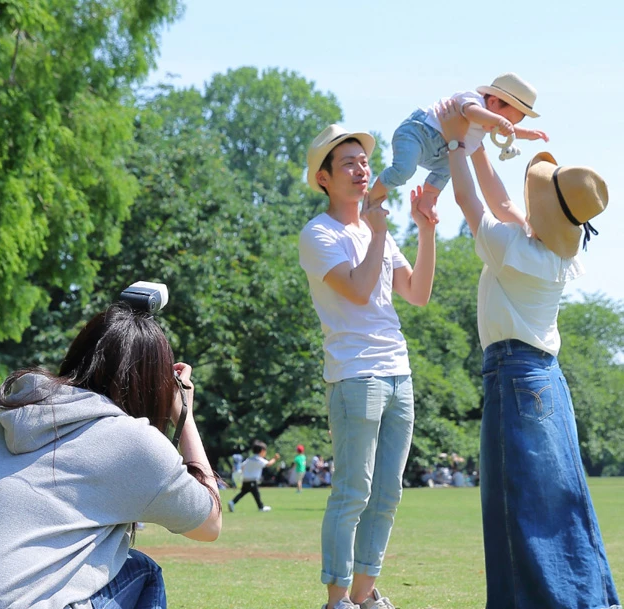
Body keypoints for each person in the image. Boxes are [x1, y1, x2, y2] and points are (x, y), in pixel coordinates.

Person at [0, 303, 222, 609]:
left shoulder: (6, 418)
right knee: (141, 570)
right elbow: (209, 524)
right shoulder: (134, 442)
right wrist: (184, 413)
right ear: (155, 386)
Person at [438, 99, 620, 609]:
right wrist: (473, 147)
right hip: (545, 380)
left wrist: (455, 142)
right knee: (560, 499)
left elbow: (473, 204)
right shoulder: (557, 253)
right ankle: (584, 598)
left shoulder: (516, 251)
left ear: (540, 214)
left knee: (515, 500)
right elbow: (497, 201)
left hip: (513, 375)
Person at [299, 124, 437, 609]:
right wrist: (377, 232)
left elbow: (417, 294)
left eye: (364, 161)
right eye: (349, 164)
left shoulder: (378, 230)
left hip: (399, 371)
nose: (362, 170)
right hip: (355, 373)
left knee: (388, 493)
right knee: (352, 492)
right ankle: (337, 599)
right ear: (323, 178)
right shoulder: (318, 233)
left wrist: (424, 228)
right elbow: (357, 289)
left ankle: (363, 594)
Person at [368, 73, 548, 224]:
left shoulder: (484, 130)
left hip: (443, 154)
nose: (500, 128)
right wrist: (499, 121)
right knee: (404, 171)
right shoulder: (472, 99)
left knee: (448, 169)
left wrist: (528, 134)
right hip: (419, 134)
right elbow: (471, 112)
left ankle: (428, 200)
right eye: (504, 120)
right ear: (492, 101)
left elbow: (509, 131)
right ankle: (373, 198)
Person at [227, 440, 279, 513]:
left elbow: (242, 466)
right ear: (262, 451)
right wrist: (275, 458)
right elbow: (268, 464)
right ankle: (261, 507)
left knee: (242, 493)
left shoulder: (249, 459)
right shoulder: (259, 459)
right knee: (256, 494)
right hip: (252, 480)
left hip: (245, 480)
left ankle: (232, 502)